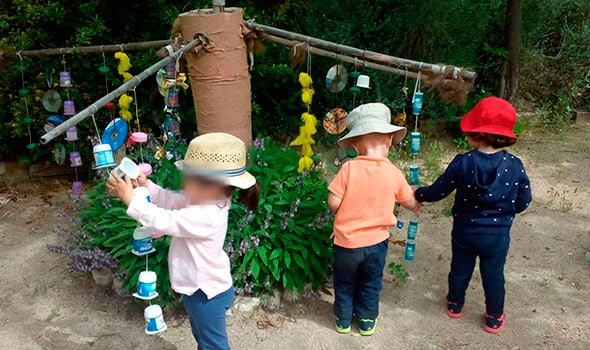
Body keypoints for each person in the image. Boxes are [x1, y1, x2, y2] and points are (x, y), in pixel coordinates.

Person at [107, 132, 259, 349]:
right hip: (199, 289)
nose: (184, 183)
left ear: (212, 185)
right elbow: (172, 200)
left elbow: (164, 220)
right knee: (203, 338)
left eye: (189, 179)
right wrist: (147, 186)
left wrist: (131, 199)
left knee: (213, 345)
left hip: (207, 294)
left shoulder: (206, 215)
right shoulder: (208, 199)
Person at [414, 97, 532, 334]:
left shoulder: (462, 162)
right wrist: (507, 212)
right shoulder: (515, 165)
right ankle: (494, 317)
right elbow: (524, 200)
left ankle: (455, 305)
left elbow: (439, 190)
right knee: (494, 275)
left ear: (477, 133)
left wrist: (419, 194)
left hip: (465, 231)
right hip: (497, 235)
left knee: (460, 269)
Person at [327, 103, 422, 336]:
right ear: (389, 141)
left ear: (354, 145)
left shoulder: (348, 169)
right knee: (370, 283)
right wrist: (418, 205)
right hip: (377, 243)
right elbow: (408, 200)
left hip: (346, 243)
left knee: (344, 282)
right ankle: (367, 320)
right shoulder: (393, 172)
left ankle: (343, 320)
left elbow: (334, 202)